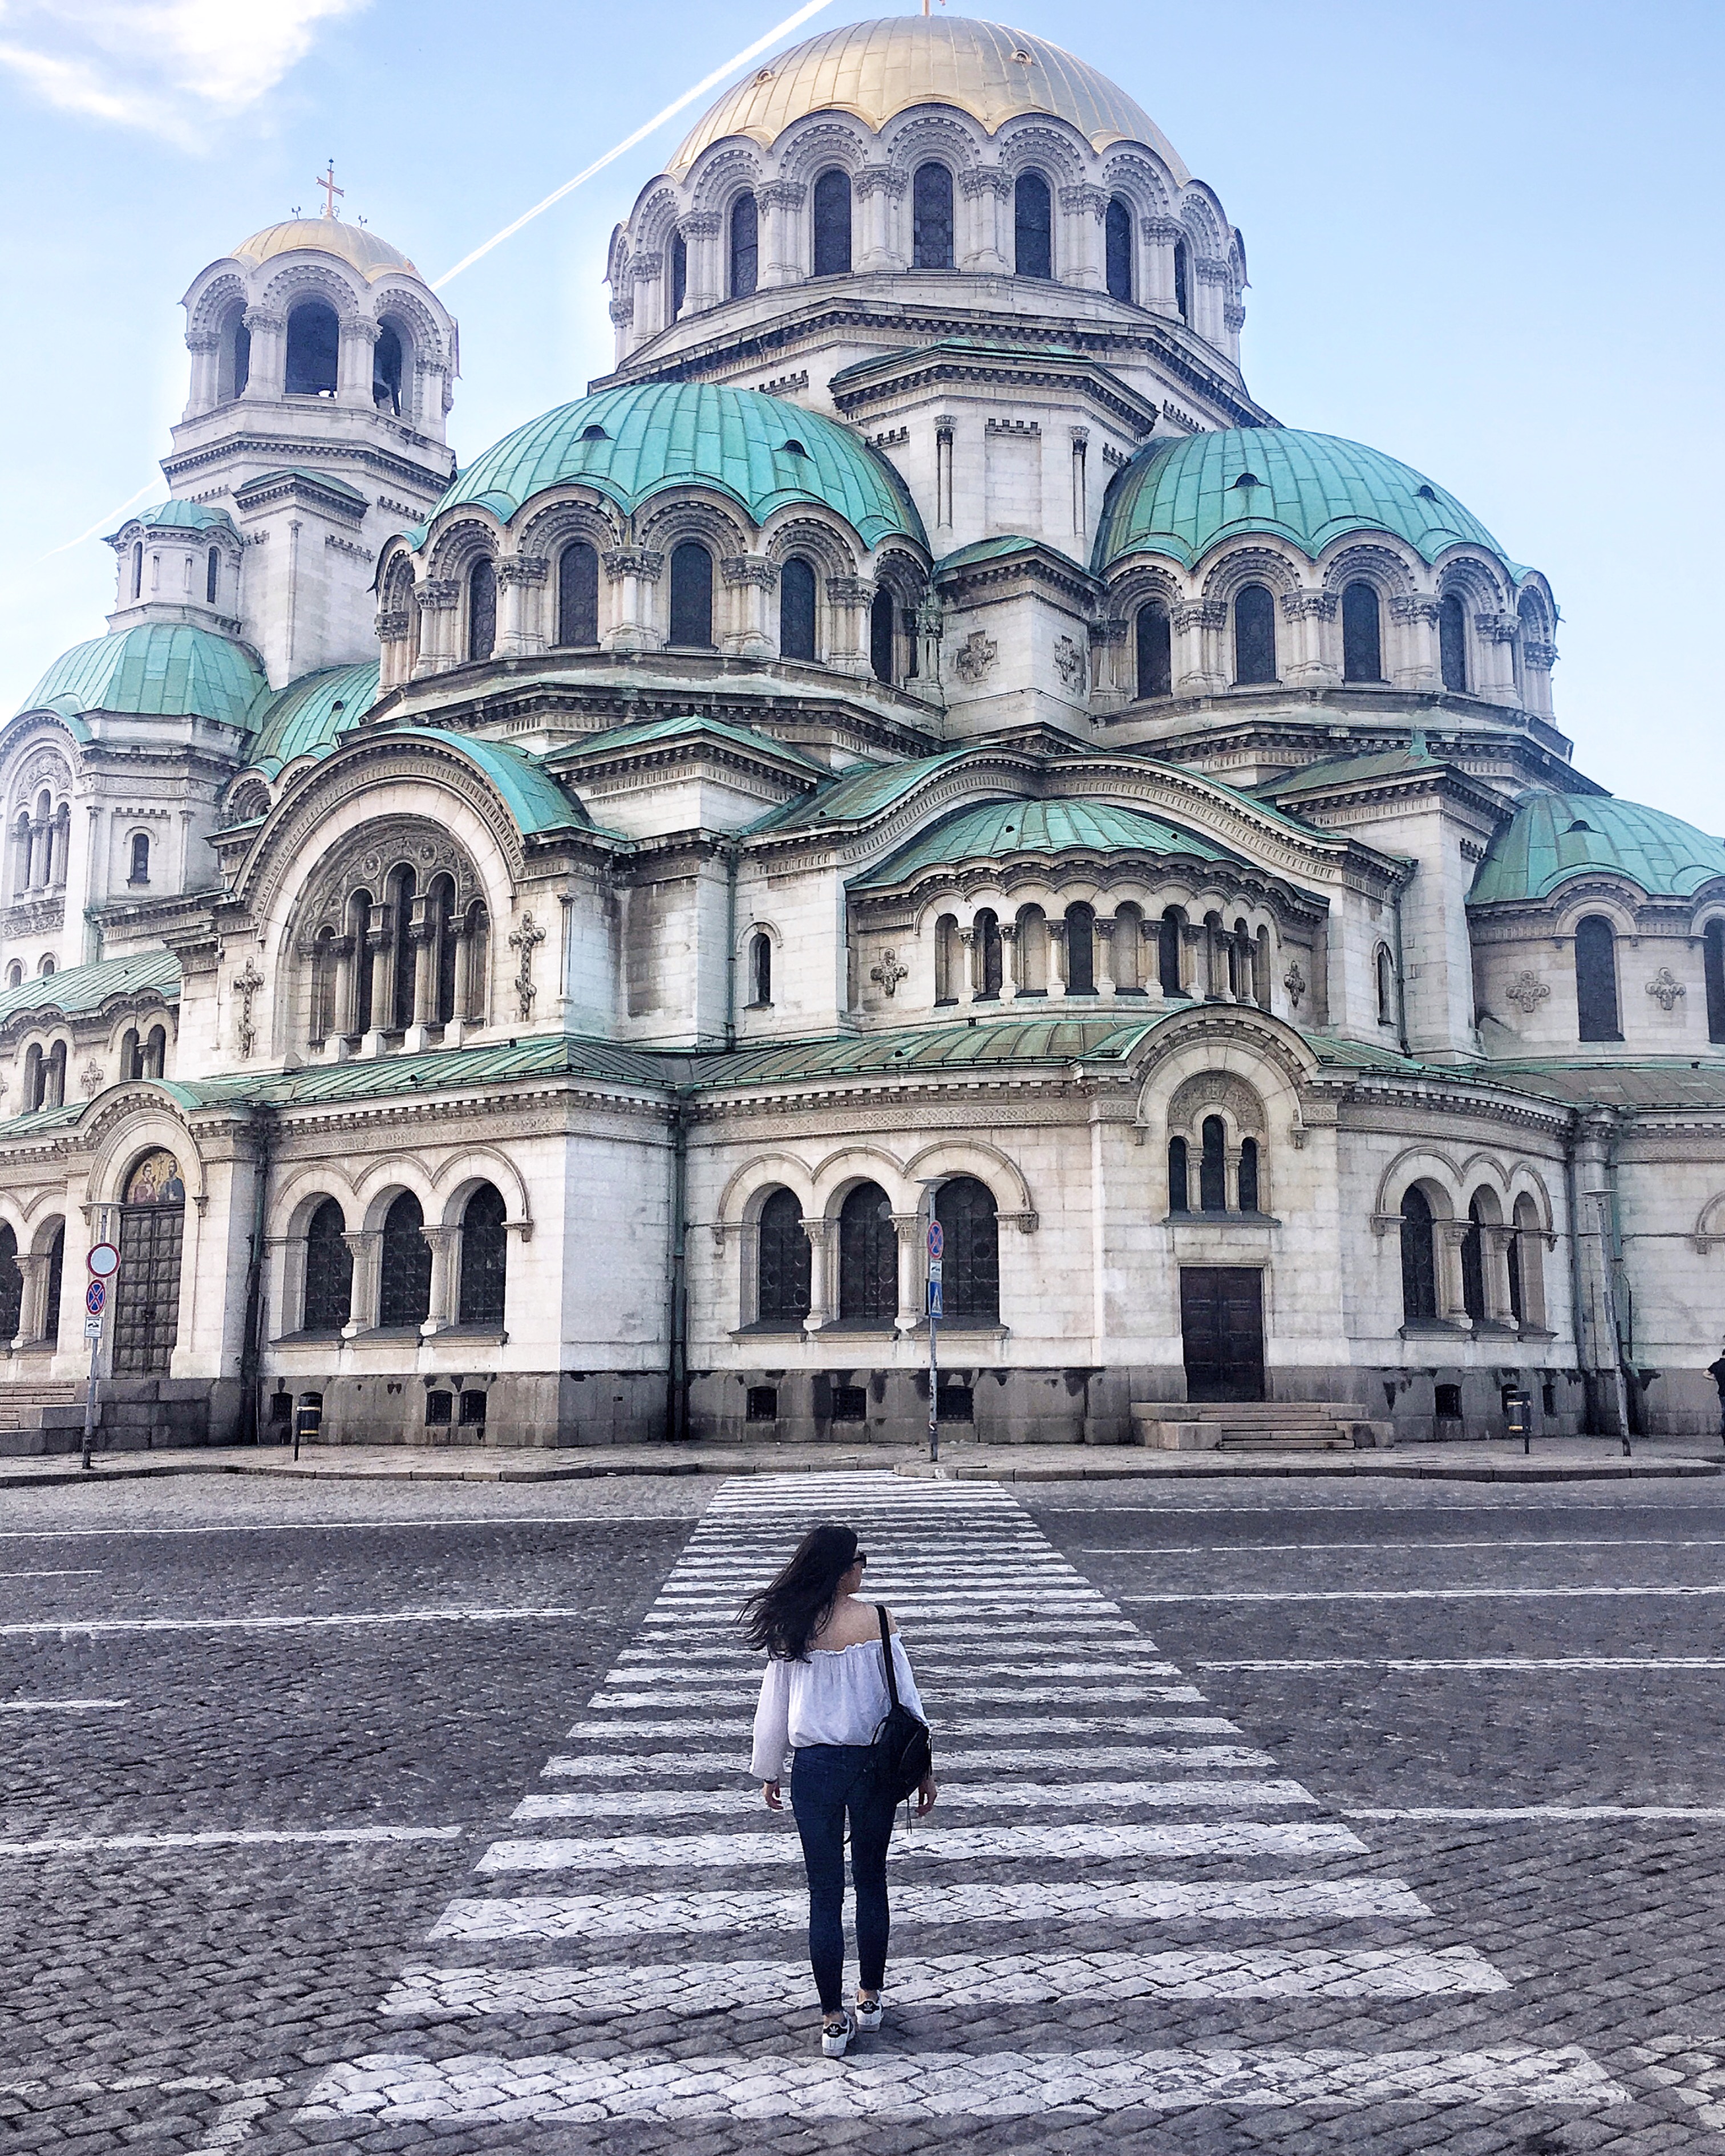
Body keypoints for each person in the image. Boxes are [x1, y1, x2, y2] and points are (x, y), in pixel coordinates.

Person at [743, 1522, 938, 2058]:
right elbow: (906, 1698)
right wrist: (923, 1768)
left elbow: (774, 1705)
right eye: (859, 1559)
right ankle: (870, 1997)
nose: (863, 1568)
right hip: (874, 1768)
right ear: (839, 1568)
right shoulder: (877, 1620)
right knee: (872, 1880)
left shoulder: (794, 1625)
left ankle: (833, 2018)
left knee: (824, 1894)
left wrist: (769, 1768)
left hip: (815, 1769)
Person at [1708, 1344, 1725, 1443]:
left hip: (1722, 1394)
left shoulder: (1716, 1365)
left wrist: (1714, 1378)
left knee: (1724, 1415)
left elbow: (1705, 1374)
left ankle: (1724, 1436)